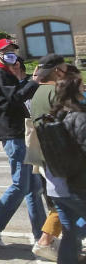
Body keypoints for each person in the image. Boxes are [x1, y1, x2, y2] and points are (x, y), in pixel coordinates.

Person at [0, 38, 45, 247]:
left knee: (34, 187)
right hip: (13, 134)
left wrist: (22, 77)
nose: (11, 54)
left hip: (18, 132)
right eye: (6, 51)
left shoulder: (7, 72)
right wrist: (33, 81)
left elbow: (19, 95)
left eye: (13, 50)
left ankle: (41, 236)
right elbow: (16, 98)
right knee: (21, 184)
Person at [28, 55, 75, 262]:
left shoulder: (39, 92)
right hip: (65, 158)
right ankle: (50, 242)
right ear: (58, 71)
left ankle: (50, 241)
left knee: (64, 203)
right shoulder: (58, 93)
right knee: (70, 203)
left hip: (49, 157)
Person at [44, 69, 86, 264]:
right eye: (83, 87)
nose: (85, 90)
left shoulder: (54, 115)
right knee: (77, 228)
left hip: (56, 186)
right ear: (75, 92)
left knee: (72, 232)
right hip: (77, 186)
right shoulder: (79, 117)